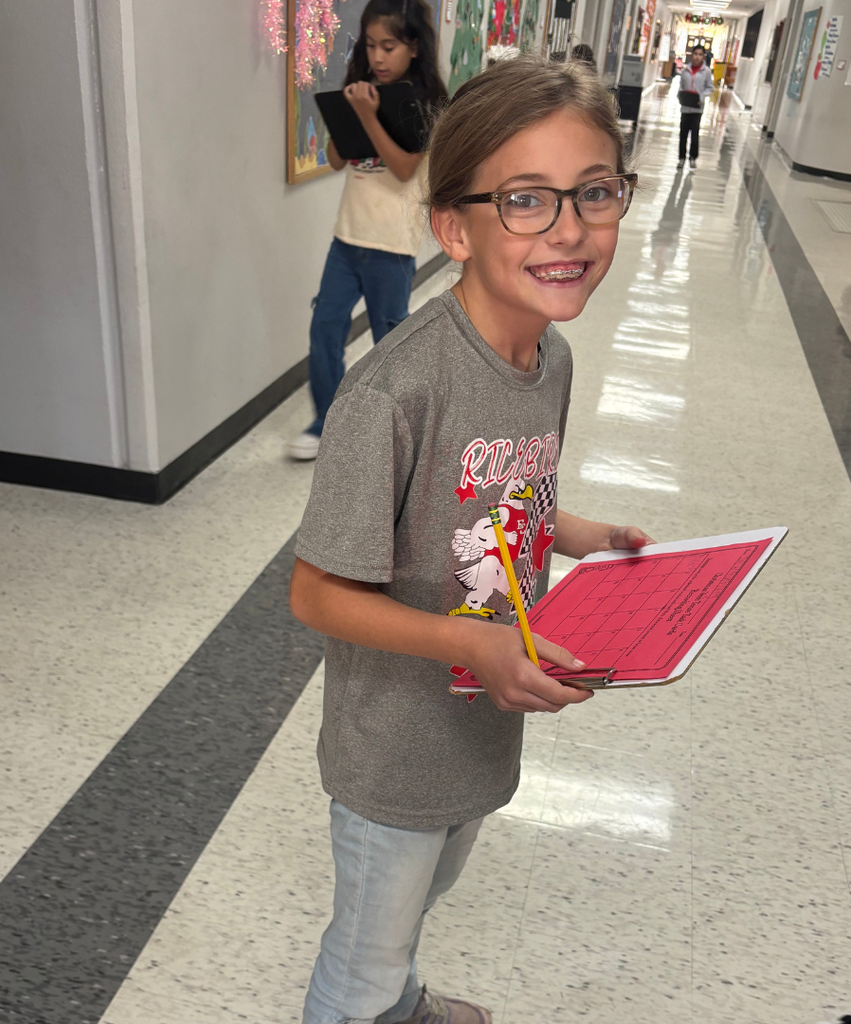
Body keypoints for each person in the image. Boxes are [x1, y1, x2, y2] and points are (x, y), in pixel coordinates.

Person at [289, 55, 653, 1024]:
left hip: (480, 718)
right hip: (395, 740)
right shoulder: (395, 391)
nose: (570, 228)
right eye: (526, 199)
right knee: (364, 945)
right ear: (453, 226)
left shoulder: (549, 356)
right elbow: (315, 594)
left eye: (595, 192)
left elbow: (507, 493)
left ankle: (400, 999)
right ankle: (378, 1001)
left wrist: (579, 533)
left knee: (420, 895)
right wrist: (468, 641)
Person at [287, 0, 447, 461]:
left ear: (413, 47)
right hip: (346, 239)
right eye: (372, 45)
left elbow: (401, 170)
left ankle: (395, 431)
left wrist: (370, 117)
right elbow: (337, 159)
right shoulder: (364, 93)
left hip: (391, 248)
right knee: (324, 329)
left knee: (388, 346)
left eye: (390, 46)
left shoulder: (423, 104)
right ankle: (327, 423)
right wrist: (348, 112)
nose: (378, 56)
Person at [677, 44, 713, 169]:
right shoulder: (685, 70)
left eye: (700, 54)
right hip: (685, 107)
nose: (697, 57)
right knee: (683, 134)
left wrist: (702, 97)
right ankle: (681, 158)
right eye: (695, 54)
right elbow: (681, 86)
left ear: (703, 57)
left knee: (694, 134)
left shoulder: (706, 72)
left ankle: (693, 158)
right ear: (692, 55)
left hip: (697, 108)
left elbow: (710, 88)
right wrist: (681, 97)